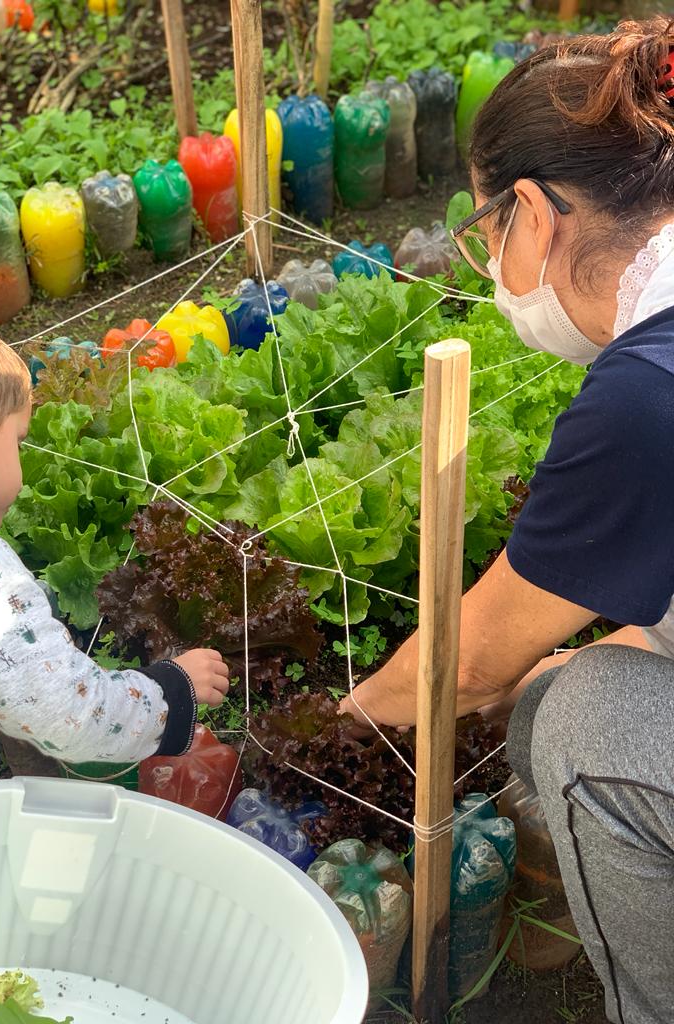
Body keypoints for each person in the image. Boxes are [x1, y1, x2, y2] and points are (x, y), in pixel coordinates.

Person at [342, 19, 674, 1024]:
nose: (493, 258)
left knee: (573, 718)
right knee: (564, 678)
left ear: (532, 211)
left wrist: (333, 729)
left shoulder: (645, 392)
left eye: (488, 227)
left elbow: (470, 661)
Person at [0, 296, 230, 766]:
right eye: (18, 440)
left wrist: (33, 603)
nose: (21, 457)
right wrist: (172, 692)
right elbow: (68, 713)